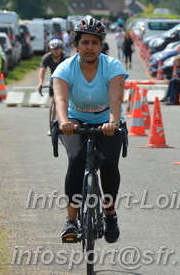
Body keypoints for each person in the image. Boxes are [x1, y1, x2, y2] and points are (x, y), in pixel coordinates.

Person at [52, 17, 128, 244]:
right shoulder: (65, 67)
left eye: (95, 43)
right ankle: (71, 220)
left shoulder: (113, 66)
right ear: (76, 45)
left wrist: (113, 122)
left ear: (101, 45)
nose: (90, 48)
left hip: (107, 119)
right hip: (76, 120)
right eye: (85, 43)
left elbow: (116, 99)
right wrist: (65, 122)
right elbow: (61, 99)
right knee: (76, 159)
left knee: (109, 164)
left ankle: (110, 213)